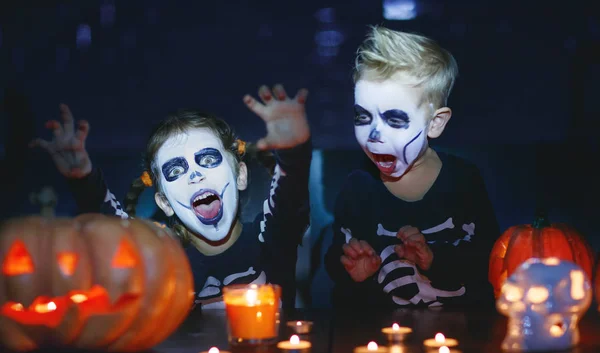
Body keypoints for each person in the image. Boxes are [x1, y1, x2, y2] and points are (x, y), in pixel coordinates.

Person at [31, 84, 312, 309]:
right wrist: (83, 179)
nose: (194, 175)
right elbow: (115, 231)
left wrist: (295, 152)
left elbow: (289, 200)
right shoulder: (163, 262)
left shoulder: (271, 239)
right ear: (164, 202)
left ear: (240, 175)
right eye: (176, 170)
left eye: (208, 159)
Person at [324, 26, 500, 309]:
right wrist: (350, 268)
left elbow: (491, 258)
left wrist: (435, 259)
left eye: (394, 120)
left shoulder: (464, 180)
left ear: (435, 123)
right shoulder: (358, 187)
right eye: (363, 117)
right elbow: (335, 257)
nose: (373, 134)